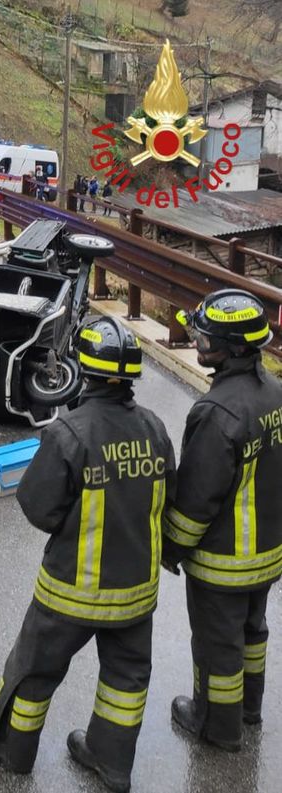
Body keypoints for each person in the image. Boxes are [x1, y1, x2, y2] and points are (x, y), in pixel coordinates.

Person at [0, 317, 176, 793]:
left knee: (34, 671)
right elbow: (170, 499)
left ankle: (10, 750)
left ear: (83, 370)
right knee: (126, 681)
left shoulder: (69, 432)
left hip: (69, 592)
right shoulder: (155, 428)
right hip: (135, 596)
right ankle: (111, 762)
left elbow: (38, 507)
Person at [162, 289, 282, 753]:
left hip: (224, 563)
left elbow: (196, 502)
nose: (198, 340)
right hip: (268, 554)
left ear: (233, 348)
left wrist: (171, 549)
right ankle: (248, 711)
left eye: (206, 336)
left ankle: (217, 726)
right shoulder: (274, 392)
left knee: (219, 647)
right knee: (253, 634)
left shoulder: (216, 414)